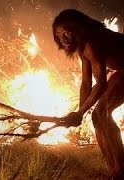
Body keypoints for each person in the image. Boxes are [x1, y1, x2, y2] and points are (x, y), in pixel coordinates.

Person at [53, 9, 124, 177]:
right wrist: (79, 114)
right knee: (98, 116)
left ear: (78, 29)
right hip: (121, 70)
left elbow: (100, 83)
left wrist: (80, 112)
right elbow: (86, 83)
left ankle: (120, 168)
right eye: (60, 35)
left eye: (67, 33)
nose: (64, 39)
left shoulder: (92, 42)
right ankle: (113, 168)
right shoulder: (82, 48)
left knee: (101, 112)